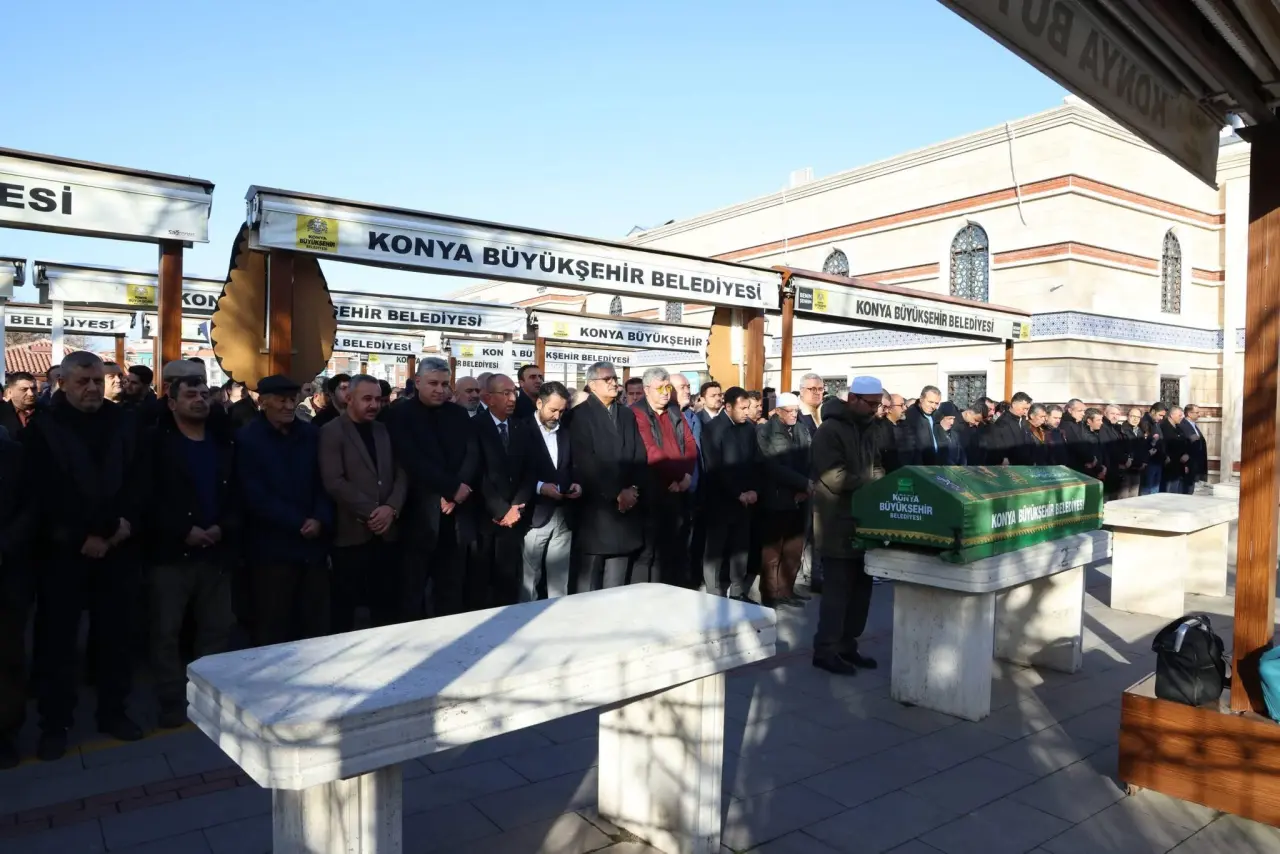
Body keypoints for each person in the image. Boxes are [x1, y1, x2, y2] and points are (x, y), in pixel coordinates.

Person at [21, 351, 147, 759]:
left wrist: (122, 525)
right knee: (57, 643)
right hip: (64, 552)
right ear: (63, 383)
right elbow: (44, 491)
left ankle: (114, 712)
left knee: (116, 638)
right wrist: (83, 535)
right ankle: (54, 724)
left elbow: (138, 478)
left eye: (97, 381)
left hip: (119, 548)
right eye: (83, 381)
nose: (92, 388)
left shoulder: (124, 422)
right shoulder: (43, 427)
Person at [146, 375, 238, 728]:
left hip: (216, 551)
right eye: (190, 395)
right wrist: (182, 530)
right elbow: (148, 496)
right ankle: (172, 700)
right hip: (171, 554)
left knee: (217, 628)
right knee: (165, 632)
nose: (200, 400)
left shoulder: (223, 443)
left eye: (203, 394)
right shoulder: (156, 443)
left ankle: (208, 698)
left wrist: (223, 527)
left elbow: (236, 493)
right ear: (172, 403)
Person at [236, 375, 332, 646]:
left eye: (292, 400)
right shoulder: (248, 439)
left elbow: (325, 481)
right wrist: (298, 521)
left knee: (314, 623)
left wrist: (320, 517)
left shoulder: (311, 435)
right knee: (273, 623)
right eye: (282, 401)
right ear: (264, 402)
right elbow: (253, 493)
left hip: (312, 547)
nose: (289, 406)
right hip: (271, 548)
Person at [387, 358, 479, 618]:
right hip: (418, 515)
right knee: (412, 591)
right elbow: (411, 459)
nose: (440, 389)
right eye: (433, 383)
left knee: (450, 589)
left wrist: (458, 492)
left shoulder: (458, 414)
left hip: (455, 516)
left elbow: (472, 454)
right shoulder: (400, 414)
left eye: (444, 384)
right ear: (417, 382)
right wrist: (450, 487)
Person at [319, 375, 408, 633]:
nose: (374, 405)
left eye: (378, 399)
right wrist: (373, 512)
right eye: (367, 399)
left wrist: (391, 508)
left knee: (386, 606)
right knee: (345, 610)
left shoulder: (383, 430)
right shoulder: (332, 431)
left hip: (387, 534)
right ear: (349, 398)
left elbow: (401, 473)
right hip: (351, 535)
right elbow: (334, 481)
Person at [811, 376, 882, 676]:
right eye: (871, 404)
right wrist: (872, 484)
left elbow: (877, 465)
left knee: (861, 593)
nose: (875, 409)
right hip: (836, 522)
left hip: (864, 521)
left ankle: (847, 645)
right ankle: (825, 650)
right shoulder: (829, 430)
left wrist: (882, 482)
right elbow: (834, 477)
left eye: (878, 404)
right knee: (837, 594)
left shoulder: (869, 428)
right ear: (853, 399)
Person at [570, 362, 647, 591]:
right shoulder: (579, 416)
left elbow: (639, 453)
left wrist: (633, 489)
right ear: (592, 385)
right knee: (589, 586)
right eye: (607, 379)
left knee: (617, 585)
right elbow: (585, 462)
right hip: (596, 510)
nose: (614, 383)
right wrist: (616, 493)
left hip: (626, 508)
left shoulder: (626, 414)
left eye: (615, 378)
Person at [472, 373, 536, 608]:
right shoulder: (475, 427)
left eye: (514, 393)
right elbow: (477, 473)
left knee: (508, 582)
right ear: (489, 398)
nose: (512, 398)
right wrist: (500, 510)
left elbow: (530, 471)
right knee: (479, 583)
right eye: (506, 393)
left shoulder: (521, 427)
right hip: (485, 518)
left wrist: (516, 506)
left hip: (514, 518)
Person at [631, 368, 697, 588]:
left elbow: (690, 444)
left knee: (675, 549)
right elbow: (650, 450)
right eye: (660, 388)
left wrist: (686, 475)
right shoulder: (637, 413)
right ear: (647, 389)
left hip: (679, 490)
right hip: (653, 492)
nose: (666, 392)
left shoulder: (674, 410)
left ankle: (673, 592)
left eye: (668, 387)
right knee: (649, 554)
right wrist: (678, 475)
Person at [701, 387, 762, 601]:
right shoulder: (713, 429)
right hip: (720, 500)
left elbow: (757, 461)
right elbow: (715, 467)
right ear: (728, 406)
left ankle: (737, 590)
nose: (746, 412)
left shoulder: (748, 429)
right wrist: (738, 493)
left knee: (740, 547)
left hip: (745, 500)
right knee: (716, 549)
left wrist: (755, 489)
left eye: (748, 408)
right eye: (742, 408)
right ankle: (713, 592)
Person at [523, 381, 577, 602]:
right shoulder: (522, 429)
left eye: (562, 411)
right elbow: (517, 471)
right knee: (529, 579)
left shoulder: (566, 431)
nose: (557, 415)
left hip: (564, 514)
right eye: (553, 410)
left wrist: (577, 484)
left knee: (559, 580)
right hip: (536, 515)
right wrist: (540, 487)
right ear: (539, 403)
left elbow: (572, 465)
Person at [757, 392, 811, 607]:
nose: (793, 415)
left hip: (800, 497)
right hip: (777, 497)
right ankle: (770, 594)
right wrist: (803, 483)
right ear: (778, 411)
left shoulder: (801, 429)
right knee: (772, 551)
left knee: (793, 549)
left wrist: (806, 487)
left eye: (796, 411)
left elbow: (811, 458)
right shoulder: (765, 431)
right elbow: (772, 466)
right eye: (789, 411)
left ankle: (786, 590)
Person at [0, 430, 31, 767]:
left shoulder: (12, 454)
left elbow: (31, 506)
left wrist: (5, 545)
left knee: (7, 658)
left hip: (7, 572)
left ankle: (6, 732)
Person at [899, 385, 945, 465]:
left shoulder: (937, 416)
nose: (933, 406)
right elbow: (909, 447)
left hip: (937, 465)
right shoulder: (910, 416)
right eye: (930, 402)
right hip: (920, 466)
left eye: (936, 403)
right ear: (921, 399)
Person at [986, 391, 1032, 465]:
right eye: (1024, 408)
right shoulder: (1002, 423)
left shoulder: (1024, 420)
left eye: (1027, 409)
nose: (1025, 412)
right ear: (1014, 404)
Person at [1139, 402, 1169, 495]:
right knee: (1147, 491)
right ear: (1153, 411)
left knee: (1155, 491)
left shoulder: (1156, 423)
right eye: (1160, 415)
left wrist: (1164, 455)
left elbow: (1160, 440)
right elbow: (1144, 442)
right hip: (1149, 462)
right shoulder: (1145, 423)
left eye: (1163, 416)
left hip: (1158, 461)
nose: (1161, 418)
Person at [0, 371, 39, 437]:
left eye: (34, 389)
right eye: (24, 389)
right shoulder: (2, 412)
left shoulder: (47, 412)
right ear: (9, 392)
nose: (31, 394)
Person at [1162, 406, 1191, 493]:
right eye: (1180, 415)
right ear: (1172, 415)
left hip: (1180, 465)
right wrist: (1165, 456)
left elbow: (1185, 442)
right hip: (1169, 466)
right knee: (1169, 491)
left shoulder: (1179, 428)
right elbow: (1163, 444)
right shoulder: (1163, 426)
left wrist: (1186, 454)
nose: (1182, 417)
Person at [1181, 404, 1209, 493]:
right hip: (1188, 462)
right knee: (1186, 490)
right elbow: (1183, 443)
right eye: (1196, 412)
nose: (1199, 415)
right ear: (1189, 414)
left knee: (1190, 489)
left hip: (1195, 463)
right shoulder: (1183, 425)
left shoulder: (1193, 425)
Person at [1119, 407, 1146, 499]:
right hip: (1126, 468)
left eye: (1138, 417)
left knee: (1134, 497)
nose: (1135, 419)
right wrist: (1126, 459)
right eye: (1133, 416)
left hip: (1137, 468)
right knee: (1124, 497)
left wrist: (1144, 461)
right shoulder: (1122, 430)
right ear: (1127, 416)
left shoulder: (1140, 431)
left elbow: (1143, 448)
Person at [1078, 407, 1108, 484]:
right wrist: (1101, 469)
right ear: (1089, 421)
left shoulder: (1095, 433)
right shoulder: (1084, 436)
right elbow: (1089, 460)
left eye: (1101, 420)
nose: (1101, 423)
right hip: (1090, 477)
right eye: (1098, 420)